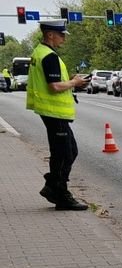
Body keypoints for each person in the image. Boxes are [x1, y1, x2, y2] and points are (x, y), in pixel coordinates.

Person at [26, 20, 89, 210]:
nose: (64, 38)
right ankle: (59, 193)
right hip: (54, 112)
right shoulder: (49, 56)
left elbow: (53, 82)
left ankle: (53, 187)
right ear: (50, 34)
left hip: (51, 112)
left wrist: (70, 80)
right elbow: (54, 87)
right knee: (64, 153)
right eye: (61, 35)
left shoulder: (40, 52)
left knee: (67, 151)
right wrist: (74, 83)